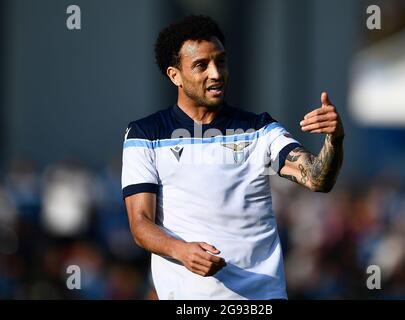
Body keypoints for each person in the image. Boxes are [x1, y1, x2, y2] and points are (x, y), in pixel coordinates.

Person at [121, 15, 344, 300]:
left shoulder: (260, 129)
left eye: (221, 61)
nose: (216, 73)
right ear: (174, 75)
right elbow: (140, 224)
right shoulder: (145, 134)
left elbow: (317, 179)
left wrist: (335, 138)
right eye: (201, 65)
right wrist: (182, 250)